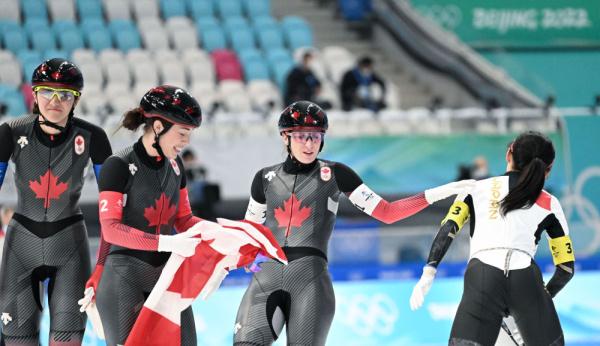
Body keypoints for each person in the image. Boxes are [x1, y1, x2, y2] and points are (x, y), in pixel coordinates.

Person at [233, 100, 474, 346]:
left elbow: (387, 212)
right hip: (266, 281)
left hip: (310, 283)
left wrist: (437, 193)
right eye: (302, 136)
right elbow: (247, 235)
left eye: (315, 137)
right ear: (285, 137)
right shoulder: (264, 178)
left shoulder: (337, 174)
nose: (309, 144)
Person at [410, 131, 574, 346]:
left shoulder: (474, 188)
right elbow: (566, 269)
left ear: (509, 154)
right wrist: (539, 299)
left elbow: (448, 228)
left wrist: (429, 272)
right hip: (526, 279)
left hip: (482, 276)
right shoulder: (549, 202)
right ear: (548, 169)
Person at [80, 85, 207, 346]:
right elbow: (112, 229)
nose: (186, 143)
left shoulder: (175, 165)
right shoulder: (118, 165)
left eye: (189, 135)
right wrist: (100, 270)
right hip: (124, 277)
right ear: (158, 127)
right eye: (182, 134)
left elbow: (184, 220)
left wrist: (223, 233)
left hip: (166, 276)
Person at [0, 58, 112, 345]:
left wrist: (107, 263)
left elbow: (115, 209)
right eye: (47, 92)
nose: (55, 101)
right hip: (20, 246)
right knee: (17, 339)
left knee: (67, 339)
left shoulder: (93, 137)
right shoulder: (10, 132)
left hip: (70, 247)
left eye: (65, 95)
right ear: (34, 94)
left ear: (76, 100)